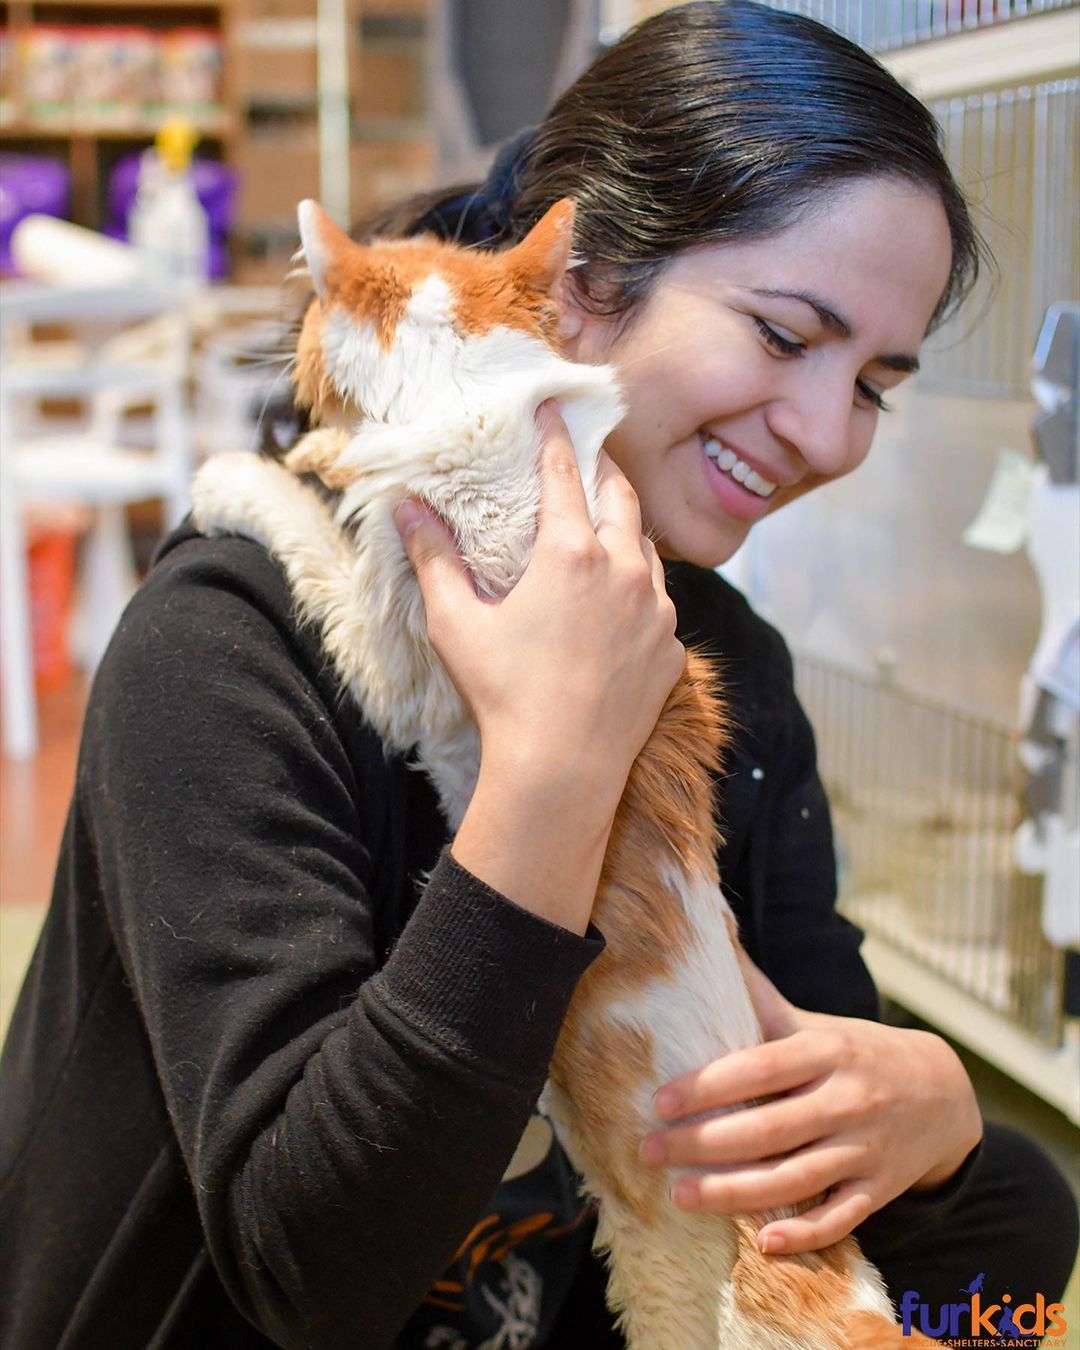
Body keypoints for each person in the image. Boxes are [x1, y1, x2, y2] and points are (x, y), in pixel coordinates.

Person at [1, 3, 1075, 1347]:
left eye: (874, 382)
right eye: (787, 335)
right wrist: (555, 768)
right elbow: (309, 1267)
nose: (826, 432)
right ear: (573, 279)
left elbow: (843, 1179)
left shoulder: (729, 676)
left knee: (1020, 1214)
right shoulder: (232, 639)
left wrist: (945, 1118)